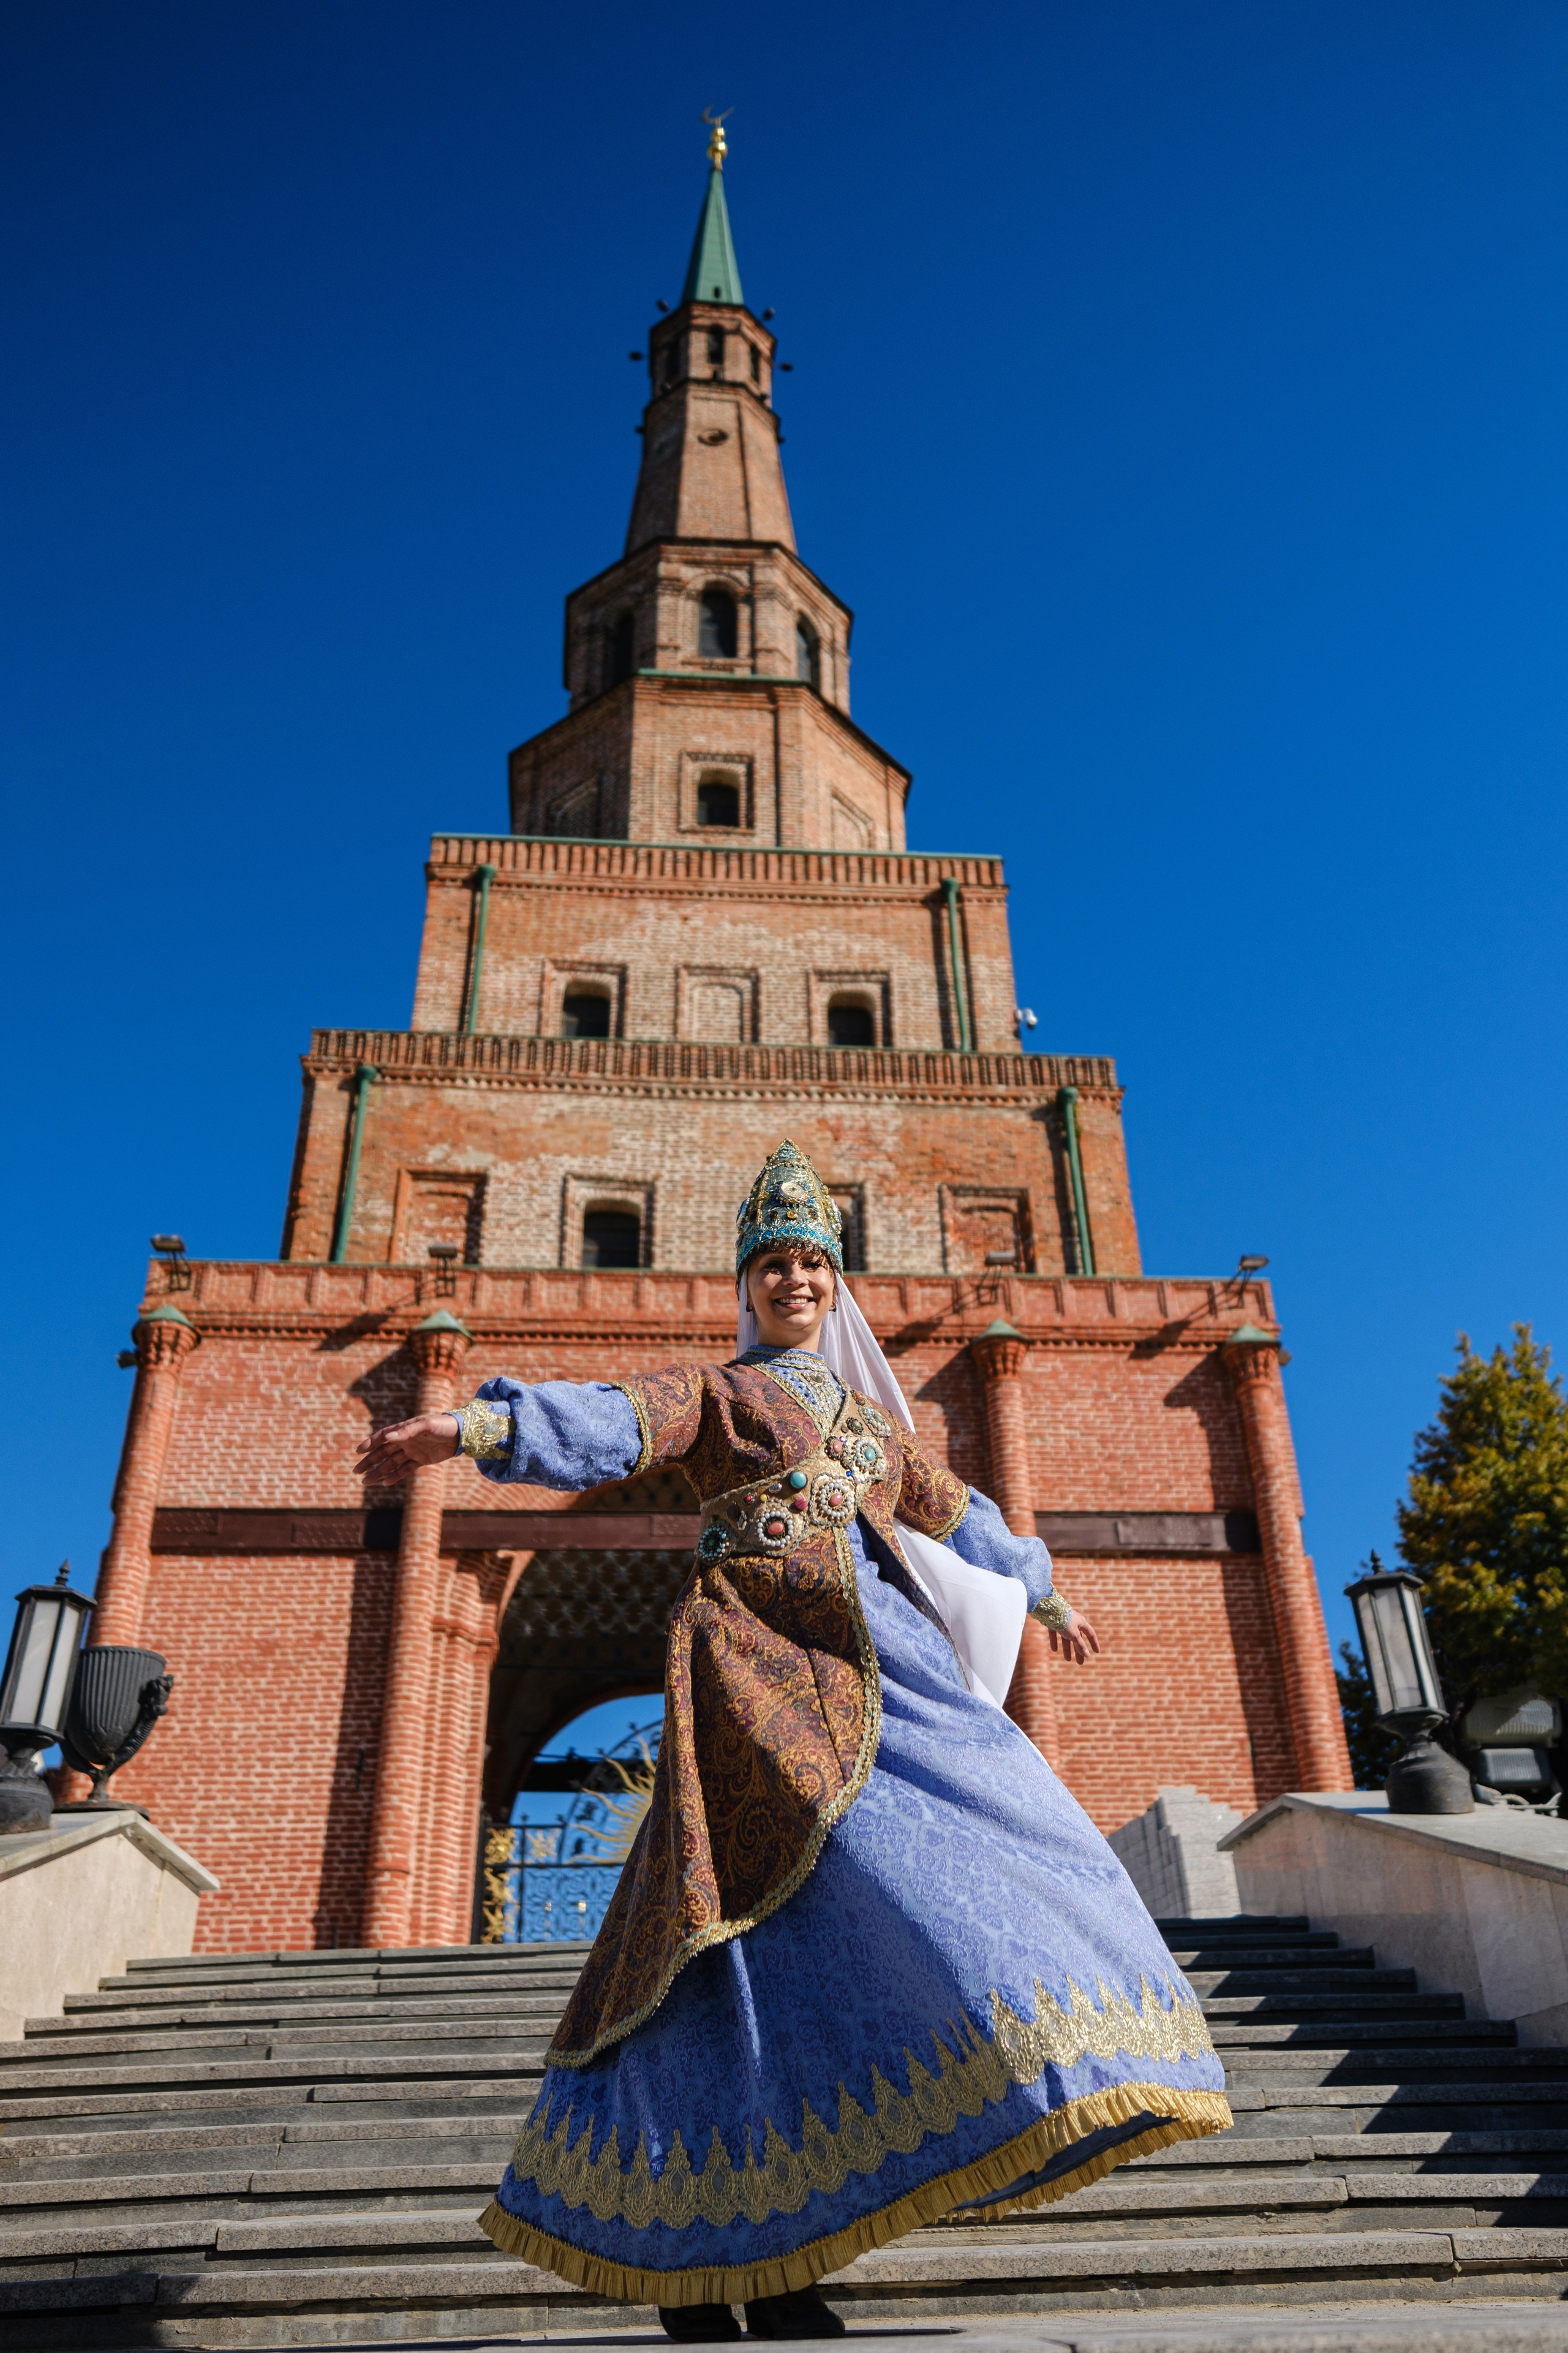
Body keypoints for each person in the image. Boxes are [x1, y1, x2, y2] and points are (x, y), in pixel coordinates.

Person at [358, 1141, 1231, 2339]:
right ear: (746, 1284)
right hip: (751, 1685)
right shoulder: (721, 1396)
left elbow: (949, 1506)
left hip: (884, 1681)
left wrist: (1038, 1589)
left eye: (813, 1262)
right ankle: (726, 2267)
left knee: (978, 1842)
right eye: (773, 1263)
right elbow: (617, 1422)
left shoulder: (866, 1429)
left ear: (838, 1280)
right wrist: (471, 1431)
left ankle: (875, 2175)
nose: (795, 1280)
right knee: (721, 1949)